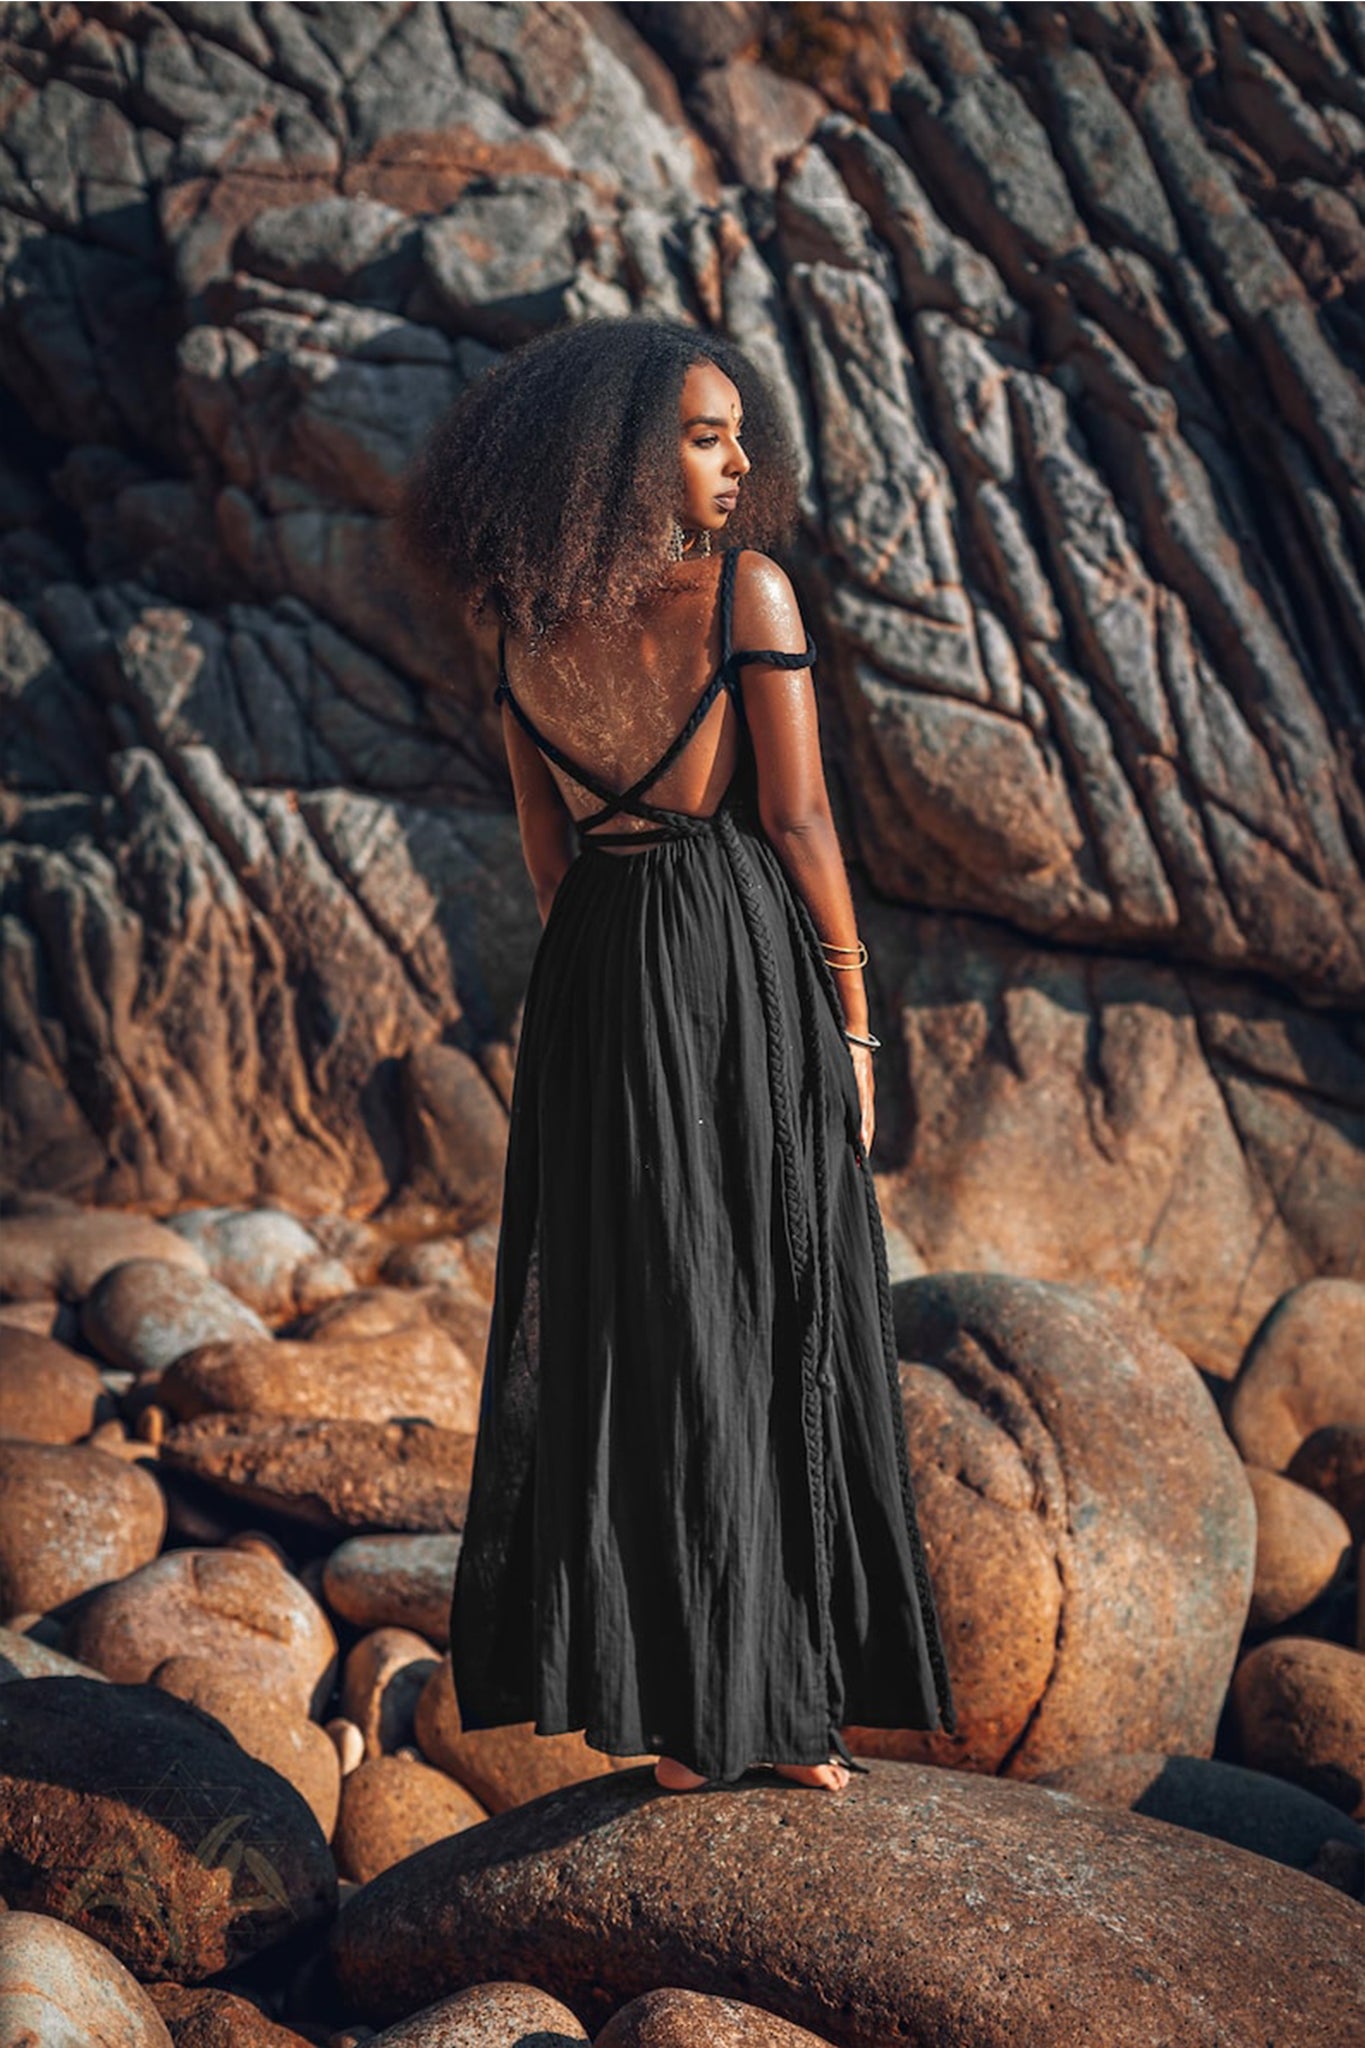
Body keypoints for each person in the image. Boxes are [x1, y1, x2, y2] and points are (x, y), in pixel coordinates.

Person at [396, 316, 957, 1796]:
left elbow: (543, 847)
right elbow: (799, 823)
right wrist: (849, 1013)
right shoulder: (744, 598)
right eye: (707, 437)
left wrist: (610, 990)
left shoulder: (514, 618)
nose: (739, 466)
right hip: (729, 951)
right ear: (626, 454)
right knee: (768, 1300)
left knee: (639, 1318)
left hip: (597, 966)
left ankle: (673, 1705)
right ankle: (767, 1705)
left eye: (735, 435)